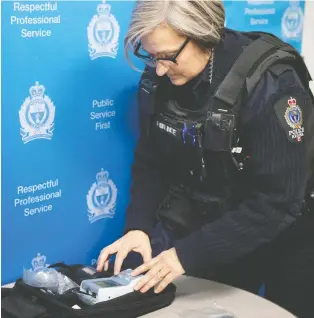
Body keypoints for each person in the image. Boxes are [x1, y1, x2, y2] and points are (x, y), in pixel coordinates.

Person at [97, 1, 314, 317]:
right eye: (151, 56)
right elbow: (151, 161)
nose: (159, 69)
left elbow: (278, 202)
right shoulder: (161, 75)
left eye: (168, 57)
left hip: (287, 229)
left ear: (204, 37)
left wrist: (185, 255)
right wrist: (138, 228)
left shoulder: (273, 85)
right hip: (216, 225)